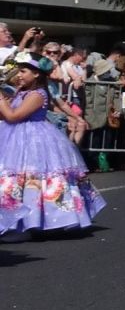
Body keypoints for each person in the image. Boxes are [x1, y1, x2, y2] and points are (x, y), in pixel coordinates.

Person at [0, 54, 104, 235]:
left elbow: (14, 116)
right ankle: (14, 222)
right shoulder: (20, 92)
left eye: (23, 71)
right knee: (13, 178)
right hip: (13, 138)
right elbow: (5, 116)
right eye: (18, 72)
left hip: (34, 140)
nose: (19, 75)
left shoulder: (37, 94)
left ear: (36, 74)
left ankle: (36, 222)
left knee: (35, 178)